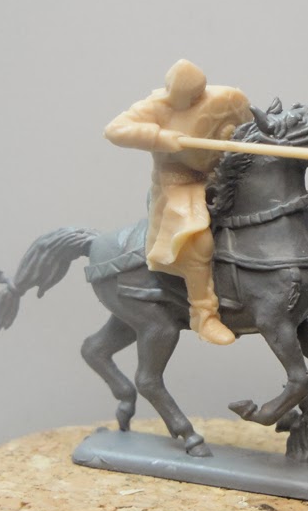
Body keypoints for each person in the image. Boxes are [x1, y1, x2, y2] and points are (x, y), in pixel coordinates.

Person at [104, 59, 252, 345]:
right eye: (190, 97)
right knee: (196, 240)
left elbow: (239, 120)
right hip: (178, 183)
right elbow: (115, 130)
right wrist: (160, 137)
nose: (195, 101)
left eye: (198, 95)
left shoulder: (218, 98)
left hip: (223, 173)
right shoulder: (155, 106)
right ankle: (203, 315)